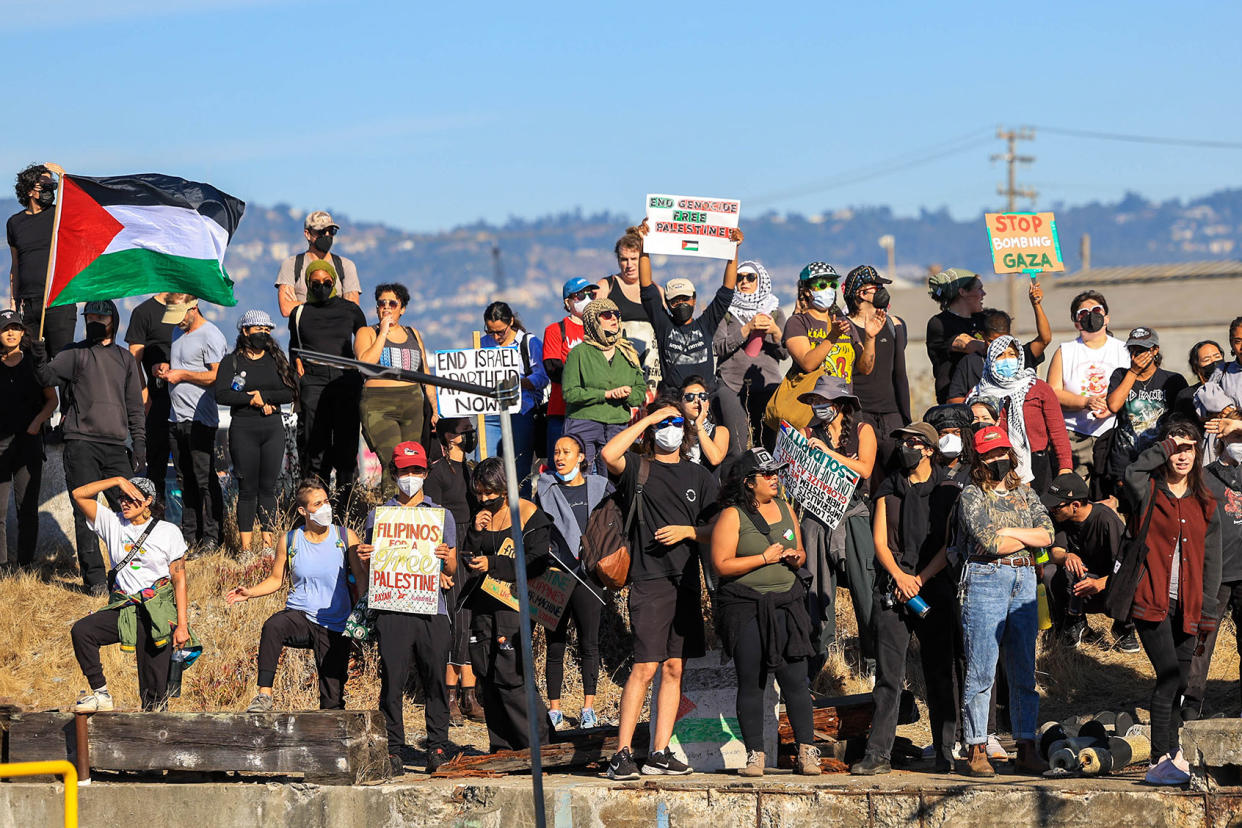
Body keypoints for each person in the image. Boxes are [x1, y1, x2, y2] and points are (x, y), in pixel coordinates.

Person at [601, 398, 719, 780]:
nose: (672, 429)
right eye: (664, 423)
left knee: (673, 667)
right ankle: (621, 754)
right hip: (649, 581)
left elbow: (718, 529)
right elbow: (609, 452)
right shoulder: (640, 468)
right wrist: (651, 416)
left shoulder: (698, 476)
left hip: (684, 582)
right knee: (645, 666)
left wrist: (688, 532)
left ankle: (659, 751)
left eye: (677, 423)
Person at [1113, 422, 1221, 785]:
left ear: (1198, 453)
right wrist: (1164, 446)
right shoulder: (1149, 490)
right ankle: (1160, 757)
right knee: (1169, 677)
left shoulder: (1205, 501)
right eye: (1177, 448)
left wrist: (1207, 609)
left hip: (1190, 605)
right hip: (1152, 600)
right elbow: (1131, 470)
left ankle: (1172, 754)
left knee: (1181, 683)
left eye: (1190, 448)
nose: (1183, 455)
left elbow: (1213, 562)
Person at [851, 422, 961, 776]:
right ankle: (877, 753)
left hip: (933, 585)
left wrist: (920, 579)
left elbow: (949, 545)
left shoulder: (948, 490)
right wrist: (899, 576)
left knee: (940, 672)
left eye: (914, 443)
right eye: (903, 442)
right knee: (888, 676)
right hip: (893, 587)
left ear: (930, 449)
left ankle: (946, 750)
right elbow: (879, 541)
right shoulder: (888, 487)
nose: (906, 448)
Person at [711, 447, 821, 777]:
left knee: (796, 681)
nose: (775, 479)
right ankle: (754, 754)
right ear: (748, 482)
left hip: (787, 606)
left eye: (777, 473)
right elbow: (721, 564)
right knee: (752, 682)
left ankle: (806, 751)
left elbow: (801, 552)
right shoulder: (732, 516)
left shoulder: (786, 507)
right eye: (768, 474)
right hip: (746, 608)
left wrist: (794, 558)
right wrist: (763, 559)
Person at [951, 426, 1053, 777]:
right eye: (990, 455)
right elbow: (989, 544)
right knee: (981, 668)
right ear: (979, 459)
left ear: (1011, 453)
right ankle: (977, 747)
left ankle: (1026, 746)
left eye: (1001, 453)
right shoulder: (971, 496)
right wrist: (1025, 539)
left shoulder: (1025, 492)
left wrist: (1009, 533)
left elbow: (1048, 534)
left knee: (1024, 668)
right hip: (984, 579)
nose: (997, 460)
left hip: (1024, 579)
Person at [354, 442, 458, 773]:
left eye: (416, 470)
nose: (410, 476)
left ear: (426, 473)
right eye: (404, 471)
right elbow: (372, 569)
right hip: (392, 607)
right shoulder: (378, 516)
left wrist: (445, 560)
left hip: (432, 610)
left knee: (435, 680)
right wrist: (363, 560)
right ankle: (394, 750)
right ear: (394, 473)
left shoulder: (442, 516)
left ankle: (437, 746)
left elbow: (452, 568)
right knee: (392, 680)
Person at [32, 299, 145, 594]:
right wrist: (39, 358)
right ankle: (95, 580)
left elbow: (135, 408)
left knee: (132, 509)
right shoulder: (75, 352)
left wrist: (140, 447)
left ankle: (134, 573)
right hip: (80, 443)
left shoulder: (125, 359)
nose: (93, 320)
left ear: (113, 320)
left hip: (116, 446)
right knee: (86, 513)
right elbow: (46, 377)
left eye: (100, 316)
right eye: (89, 316)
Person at [226, 479, 362, 711]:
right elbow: (275, 580)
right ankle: (264, 696)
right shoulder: (290, 540)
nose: (325, 508)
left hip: (336, 623)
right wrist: (250, 592)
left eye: (326, 501)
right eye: (317, 504)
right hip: (301, 615)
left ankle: (331, 740)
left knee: (332, 700)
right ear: (303, 510)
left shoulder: (345, 536)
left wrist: (363, 615)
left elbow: (361, 577)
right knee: (274, 626)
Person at [69, 475, 189, 712]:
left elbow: (179, 579)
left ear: (147, 501)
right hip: (124, 607)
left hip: (156, 612)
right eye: (121, 497)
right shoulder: (112, 523)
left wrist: (182, 624)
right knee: (83, 631)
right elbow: (78, 494)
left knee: (154, 692)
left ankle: (155, 737)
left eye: (131, 498)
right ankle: (101, 694)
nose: (123, 502)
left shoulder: (168, 531)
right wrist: (117, 481)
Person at [459, 458, 554, 752]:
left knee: (512, 674)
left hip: (513, 605)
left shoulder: (530, 516)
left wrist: (494, 563)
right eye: (480, 493)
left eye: (491, 492)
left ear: (506, 488)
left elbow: (537, 562)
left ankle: (537, 745)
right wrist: (475, 533)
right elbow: (467, 555)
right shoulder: (482, 515)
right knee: (486, 672)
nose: (485, 499)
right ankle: (501, 746)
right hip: (483, 604)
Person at [795, 375, 878, 680]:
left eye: (824, 400)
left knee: (865, 590)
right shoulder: (808, 432)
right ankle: (823, 663)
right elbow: (799, 473)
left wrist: (828, 454)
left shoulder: (862, 429)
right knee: (818, 590)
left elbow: (865, 468)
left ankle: (873, 664)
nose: (818, 406)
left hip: (854, 514)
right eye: (815, 400)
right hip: (817, 515)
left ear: (841, 403)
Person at [534, 434, 612, 730]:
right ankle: (554, 709)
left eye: (567, 451)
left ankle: (587, 708)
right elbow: (535, 529)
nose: (560, 456)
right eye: (556, 451)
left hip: (589, 576)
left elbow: (611, 526)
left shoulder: (600, 487)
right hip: (555, 574)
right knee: (555, 644)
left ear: (582, 457)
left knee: (588, 643)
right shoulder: (544, 489)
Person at [214, 310, 297, 555]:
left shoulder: (276, 359)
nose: (264, 334)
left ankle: (268, 547)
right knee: (247, 488)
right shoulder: (232, 362)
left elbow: (290, 391)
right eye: (258, 329)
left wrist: (267, 398)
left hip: (272, 429)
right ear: (245, 331)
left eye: (268, 330)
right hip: (244, 429)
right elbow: (222, 394)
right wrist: (252, 400)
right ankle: (246, 548)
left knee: (268, 488)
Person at [288, 260, 367, 511]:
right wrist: (297, 377)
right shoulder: (298, 313)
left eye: (327, 283)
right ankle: (315, 509)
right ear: (308, 284)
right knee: (315, 450)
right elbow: (293, 350)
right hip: (313, 382)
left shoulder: (351, 310)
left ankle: (346, 510)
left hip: (346, 380)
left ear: (334, 282)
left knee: (346, 451)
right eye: (315, 283)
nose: (321, 287)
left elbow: (365, 345)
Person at [635, 222, 741, 393]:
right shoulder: (664, 326)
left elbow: (727, 290)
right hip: (673, 400)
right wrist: (643, 244)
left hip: (705, 399)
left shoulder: (706, 324)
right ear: (668, 304)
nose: (681, 304)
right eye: (675, 301)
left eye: (685, 298)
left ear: (694, 299)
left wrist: (733, 249)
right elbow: (647, 287)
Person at [156, 296, 227, 552]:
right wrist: (165, 368)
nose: (178, 322)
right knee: (184, 479)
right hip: (176, 417)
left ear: (193, 308)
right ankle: (190, 535)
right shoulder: (177, 331)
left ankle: (212, 537)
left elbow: (218, 375)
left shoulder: (211, 334)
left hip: (200, 419)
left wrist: (183, 374)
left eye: (180, 316)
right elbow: (180, 365)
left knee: (204, 479)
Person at [425, 417, 484, 724]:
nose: (470, 437)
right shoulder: (437, 472)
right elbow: (429, 520)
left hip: (472, 542)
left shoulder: (473, 470)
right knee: (458, 620)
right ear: (449, 437)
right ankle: (451, 694)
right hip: (450, 542)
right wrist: (438, 566)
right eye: (464, 433)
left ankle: (470, 694)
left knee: (473, 622)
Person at [1046, 290, 1130, 500]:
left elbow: (1133, 384)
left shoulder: (1124, 350)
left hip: (1112, 432)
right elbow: (1053, 392)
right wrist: (1085, 402)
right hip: (1074, 434)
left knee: (1110, 493)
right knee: (1073, 495)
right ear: (1076, 322)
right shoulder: (1065, 351)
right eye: (1082, 312)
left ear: (1107, 318)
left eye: (1096, 310)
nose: (1090, 315)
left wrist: (1110, 405)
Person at [1041, 472, 1138, 652]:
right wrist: (1067, 556)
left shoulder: (1106, 520)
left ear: (1075, 505)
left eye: (1056, 506)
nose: (1052, 510)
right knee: (1050, 573)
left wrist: (1101, 583)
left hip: (1109, 584)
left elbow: (1129, 567)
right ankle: (1073, 622)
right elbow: (1056, 553)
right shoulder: (1061, 517)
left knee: (1136, 581)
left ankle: (1123, 628)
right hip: (1079, 583)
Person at [354, 283, 436, 493]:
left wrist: (435, 408)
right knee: (393, 461)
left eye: (393, 303)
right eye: (382, 303)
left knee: (411, 462)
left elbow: (424, 372)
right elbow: (366, 364)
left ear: (403, 308)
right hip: (379, 403)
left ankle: (412, 509)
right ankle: (391, 510)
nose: (387, 307)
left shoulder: (413, 333)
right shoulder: (367, 332)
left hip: (412, 403)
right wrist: (383, 333)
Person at [1184, 426, 1242, 717]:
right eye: (1235, 437)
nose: (1239, 443)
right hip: (1215, 573)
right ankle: (1192, 702)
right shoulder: (1205, 476)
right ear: (1221, 440)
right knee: (1201, 640)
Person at [967, 335, 1072, 493]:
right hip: (995, 462)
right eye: (1000, 355)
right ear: (990, 359)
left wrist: (1065, 467)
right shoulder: (979, 393)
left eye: (1012, 354)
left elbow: (1057, 430)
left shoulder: (1037, 388)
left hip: (1038, 464)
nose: (1007, 359)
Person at [769, 262, 867, 431]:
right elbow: (808, 363)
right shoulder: (798, 323)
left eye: (832, 284)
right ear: (807, 290)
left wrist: (871, 339)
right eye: (822, 285)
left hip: (843, 407)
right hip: (813, 410)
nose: (828, 289)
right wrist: (833, 336)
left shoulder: (843, 322)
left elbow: (864, 367)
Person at [844, 265, 911, 492]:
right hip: (860, 413)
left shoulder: (895, 325)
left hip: (891, 415)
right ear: (862, 294)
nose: (883, 291)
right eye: (878, 287)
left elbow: (900, 374)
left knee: (897, 476)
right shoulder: (844, 327)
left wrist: (905, 416)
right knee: (864, 482)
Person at [561, 299, 646, 475]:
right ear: (593, 320)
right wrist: (605, 394)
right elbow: (570, 393)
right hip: (583, 424)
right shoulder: (579, 353)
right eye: (607, 315)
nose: (614, 318)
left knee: (615, 480)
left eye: (616, 314)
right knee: (583, 477)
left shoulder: (629, 353)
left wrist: (628, 395)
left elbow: (639, 392)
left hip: (617, 426)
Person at [1106, 327, 1189, 504]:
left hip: (1160, 461)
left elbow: (1183, 423)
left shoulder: (1172, 380)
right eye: (1132, 349)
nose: (1136, 354)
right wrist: (1133, 372)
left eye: (1142, 350)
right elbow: (1113, 405)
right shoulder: (1121, 375)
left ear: (1155, 350)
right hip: (1125, 461)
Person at [712, 260, 788, 451]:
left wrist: (775, 331)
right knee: (737, 445)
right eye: (739, 278)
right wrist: (747, 329)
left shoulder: (775, 311)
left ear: (760, 281)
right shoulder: (726, 311)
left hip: (766, 385)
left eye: (750, 277)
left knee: (767, 444)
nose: (744, 281)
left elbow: (785, 352)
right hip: (731, 383)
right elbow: (718, 347)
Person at [0, 310, 55, 569]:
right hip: (0, 448)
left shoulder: (35, 362)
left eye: (15, 327)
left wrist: (37, 422)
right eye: (4, 328)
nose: (10, 332)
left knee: (27, 509)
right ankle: (1, 566)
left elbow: (52, 401)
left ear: (23, 332)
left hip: (28, 445)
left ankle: (24, 566)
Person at [9, 163, 76, 355]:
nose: (50, 191)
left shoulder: (59, 215)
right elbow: (15, 264)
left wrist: (63, 176)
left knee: (62, 360)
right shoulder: (14, 223)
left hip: (58, 300)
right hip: (28, 305)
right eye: (44, 187)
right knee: (32, 366)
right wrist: (14, 301)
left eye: (52, 187)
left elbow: (77, 203)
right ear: (30, 190)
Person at [481, 302, 548, 495]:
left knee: (518, 468)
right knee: (486, 465)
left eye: (500, 332)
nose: (496, 337)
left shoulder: (529, 342)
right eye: (490, 331)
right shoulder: (484, 343)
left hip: (521, 410)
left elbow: (542, 376)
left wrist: (517, 382)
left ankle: (522, 512)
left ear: (511, 322)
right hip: (491, 411)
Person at [125, 293, 177, 502]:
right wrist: (144, 394)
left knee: (189, 470)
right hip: (157, 400)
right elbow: (133, 360)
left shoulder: (190, 309)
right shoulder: (143, 312)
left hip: (185, 400)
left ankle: (193, 533)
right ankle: (156, 522)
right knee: (156, 469)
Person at [947, 302, 1051, 404]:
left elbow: (1044, 339)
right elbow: (954, 399)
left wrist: (1036, 305)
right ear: (982, 336)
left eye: (1002, 341)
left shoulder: (1021, 356)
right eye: (992, 341)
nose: (998, 347)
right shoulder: (970, 363)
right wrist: (980, 406)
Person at [596, 231, 662, 388]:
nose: (629, 265)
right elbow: (593, 325)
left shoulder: (657, 291)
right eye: (624, 259)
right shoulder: (606, 286)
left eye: (634, 259)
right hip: (616, 370)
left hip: (652, 372)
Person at [275, 210, 361, 317]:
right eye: (321, 232)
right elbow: (286, 308)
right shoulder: (291, 265)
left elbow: (353, 310)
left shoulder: (346, 266)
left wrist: (303, 305)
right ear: (307, 234)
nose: (327, 235)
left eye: (331, 231)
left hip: (337, 333)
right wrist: (333, 307)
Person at [542, 277, 593, 451]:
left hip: (592, 412)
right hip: (561, 411)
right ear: (567, 301)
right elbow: (553, 368)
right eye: (580, 295)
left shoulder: (599, 330)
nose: (587, 299)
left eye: (590, 294)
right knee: (558, 462)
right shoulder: (555, 330)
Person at [925, 268, 986, 405]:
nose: (984, 294)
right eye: (979, 289)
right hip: (955, 403)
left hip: (985, 401)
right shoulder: (940, 323)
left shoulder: (984, 319)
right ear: (962, 292)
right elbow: (968, 345)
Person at [682, 375, 731, 470]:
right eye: (690, 397)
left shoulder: (720, 431)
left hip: (707, 484)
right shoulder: (674, 429)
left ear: (708, 402)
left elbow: (715, 459)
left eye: (702, 396)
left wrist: (699, 425)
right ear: (680, 402)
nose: (697, 401)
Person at [924, 403, 974, 487]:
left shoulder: (974, 469)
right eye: (944, 433)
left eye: (956, 432)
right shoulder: (927, 468)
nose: (950, 438)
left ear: (966, 435)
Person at [1175, 340, 1225, 422]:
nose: (1214, 362)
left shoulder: (1233, 386)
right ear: (1196, 367)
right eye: (1207, 360)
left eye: (1217, 356)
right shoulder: (1187, 396)